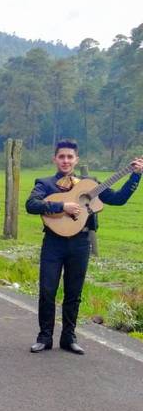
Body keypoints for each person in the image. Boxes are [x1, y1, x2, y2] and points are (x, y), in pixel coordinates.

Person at [25, 140, 143, 355]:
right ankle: (44, 337)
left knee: (74, 292)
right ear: (55, 159)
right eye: (62, 156)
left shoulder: (90, 184)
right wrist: (62, 206)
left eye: (70, 157)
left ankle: (69, 338)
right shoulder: (44, 183)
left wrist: (135, 176)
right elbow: (31, 205)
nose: (66, 160)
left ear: (76, 160)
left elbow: (118, 199)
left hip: (80, 243)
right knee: (47, 291)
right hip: (53, 243)